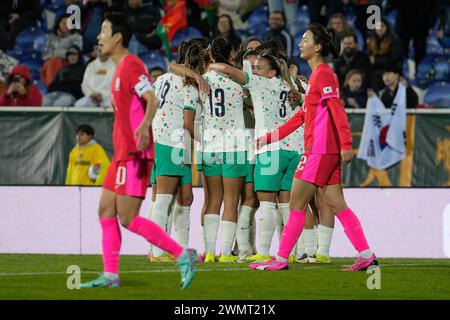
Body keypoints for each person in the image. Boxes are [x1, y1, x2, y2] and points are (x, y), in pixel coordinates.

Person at [80, 12, 198, 289]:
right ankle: (111, 274)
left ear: (118, 37)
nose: (99, 37)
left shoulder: (132, 65)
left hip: (135, 155)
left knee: (129, 218)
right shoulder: (119, 69)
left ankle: (183, 255)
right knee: (105, 211)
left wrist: (145, 126)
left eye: (104, 31)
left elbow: (151, 97)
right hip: (122, 154)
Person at [251, 23, 378, 271]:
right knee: (336, 203)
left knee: (296, 204)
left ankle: (280, 259)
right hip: (323, 151)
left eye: (305, 39)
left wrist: (346, 143)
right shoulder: (316, 77)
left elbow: (336, 109)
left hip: (319, 151)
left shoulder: (323, 74)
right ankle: (365, 254)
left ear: (317, 47)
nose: (300, 43)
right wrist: (271, 137)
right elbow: (302, 117)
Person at [206, 45, 305, 264]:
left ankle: (262, 252)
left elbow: (228, 70)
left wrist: (208, 65)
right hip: (293, 150)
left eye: (259, 68)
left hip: (271, 150)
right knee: (287, 205)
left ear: (271, 72)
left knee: (267, 204)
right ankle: (292, 252)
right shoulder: (290, 89)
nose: (255, 71)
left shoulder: (261, 83)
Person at [147, 42, 206, 263]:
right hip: (173, 142)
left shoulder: (162, 78)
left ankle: (180, 250)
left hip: (165, 141)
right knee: (164, 198)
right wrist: (210, 141)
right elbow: (189, 124)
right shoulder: (188, 86)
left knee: (184, 197)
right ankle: (157, 251)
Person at [41, 13, 83, 88]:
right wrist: (59, 54)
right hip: (50, 62)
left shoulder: (77, 37)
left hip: (68, 62)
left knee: (53, 63)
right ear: (58, 24)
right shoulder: (51, 37)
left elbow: (75, 52)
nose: (66, 25)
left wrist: (56, 53)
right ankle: (50, 87)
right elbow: (45, 53)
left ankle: (53, 87)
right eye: (64, 23)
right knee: (49, 63)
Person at [367, 18, 403, 91]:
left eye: (382, 26)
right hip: (375, 68)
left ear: (387, 27)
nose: (380, 29)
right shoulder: (371, 39)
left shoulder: (394, 40)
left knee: (375, 75)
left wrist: (376, 60)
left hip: (391, 68)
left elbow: (393, 58)